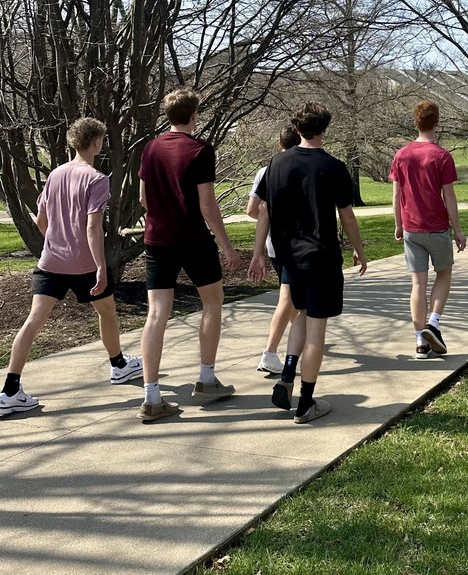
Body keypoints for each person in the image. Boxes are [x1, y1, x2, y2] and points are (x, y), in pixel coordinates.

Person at [0, 118, 142, 416]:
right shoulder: (97, 179)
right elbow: (93, 227)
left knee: (33, 321)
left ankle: (10, 390)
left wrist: (57, 241)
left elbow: (41, 220)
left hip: (51, 262)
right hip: (85, 264)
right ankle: (118, 365)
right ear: (96, 143)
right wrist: (101, 267)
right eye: (101, 140)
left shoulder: (55, 175)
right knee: (107, 312)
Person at [249, 102, 368, 424]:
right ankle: (306, 403)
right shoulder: (333, 166)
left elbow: (264, 212)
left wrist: (259, 252)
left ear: (297, 129)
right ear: (324, 129)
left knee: (299, 314)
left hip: (289, 256)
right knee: (317, 328)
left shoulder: (276, 164)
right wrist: (359, 249)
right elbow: (347, 216)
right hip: (322, 257)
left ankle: (288, 376)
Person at [138, 88, 241, 422]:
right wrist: (226, 245)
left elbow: (143, 199)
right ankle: (207, 379)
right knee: (212, 303)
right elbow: (207, 205)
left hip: (157, 240)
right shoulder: (200, 150)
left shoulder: (150, 148)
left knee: (156, 315)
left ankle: (152, 398)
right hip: (194, 239)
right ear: (194, 115)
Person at [390, 100, 467, 358]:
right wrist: (457, 229)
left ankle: (419, 341)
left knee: (417, 283)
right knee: (444, 274)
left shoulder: (401, 155)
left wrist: (398, 224)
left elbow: (396, 195)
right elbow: (450, 197)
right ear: (436, 122)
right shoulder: (442, 156)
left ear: (416, 122)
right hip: (436, 226)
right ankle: (433, 323)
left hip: (411, 227)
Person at [246, 125, 301, 375]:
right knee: (288, 298)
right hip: (293, 244)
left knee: (292, 298)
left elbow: (252, 210)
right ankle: (269, 353)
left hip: (272, 245)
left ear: (279, 143)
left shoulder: (265, 171)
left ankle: (301, 338)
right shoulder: (299, 167)